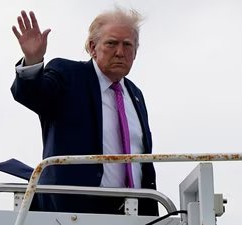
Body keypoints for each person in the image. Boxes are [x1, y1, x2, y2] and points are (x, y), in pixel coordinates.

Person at [10, 8, 158, 216]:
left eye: (128, 45)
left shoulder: (135, 95)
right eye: (111, 43)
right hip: (74, 211)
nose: (120, 52)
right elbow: (32, 94)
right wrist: (33, 61)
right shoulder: (69, 75)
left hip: (133, 212)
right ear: (92, 47)